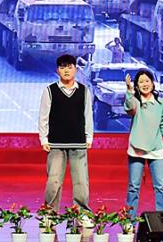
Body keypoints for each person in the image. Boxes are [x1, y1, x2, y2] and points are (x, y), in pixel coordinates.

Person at [38, 54, 93, 218]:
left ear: (75, 69)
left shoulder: (84, 90)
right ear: (57, 70)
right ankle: (50, 213)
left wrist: (89, 137)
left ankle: (82, 213)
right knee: (53, 181)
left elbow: (88, 115)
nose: (66, 70)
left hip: (78, 142)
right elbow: (43, 116)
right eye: (62, 67)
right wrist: (43, 138)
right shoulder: (50, 90)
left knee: (81, 181)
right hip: (56, 143)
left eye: (70, 67)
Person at [124, 68, 163, 215]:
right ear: (137, 85)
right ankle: (129, 221)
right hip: (136, 148)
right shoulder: (135, 101)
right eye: (141, 82)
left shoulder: (160, 103)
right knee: (133, 187)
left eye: (147, 81)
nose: (145, 84)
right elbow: (129, 108)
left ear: (152, 83)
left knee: (160, 187)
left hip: (156, 148)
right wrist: (129, 90)